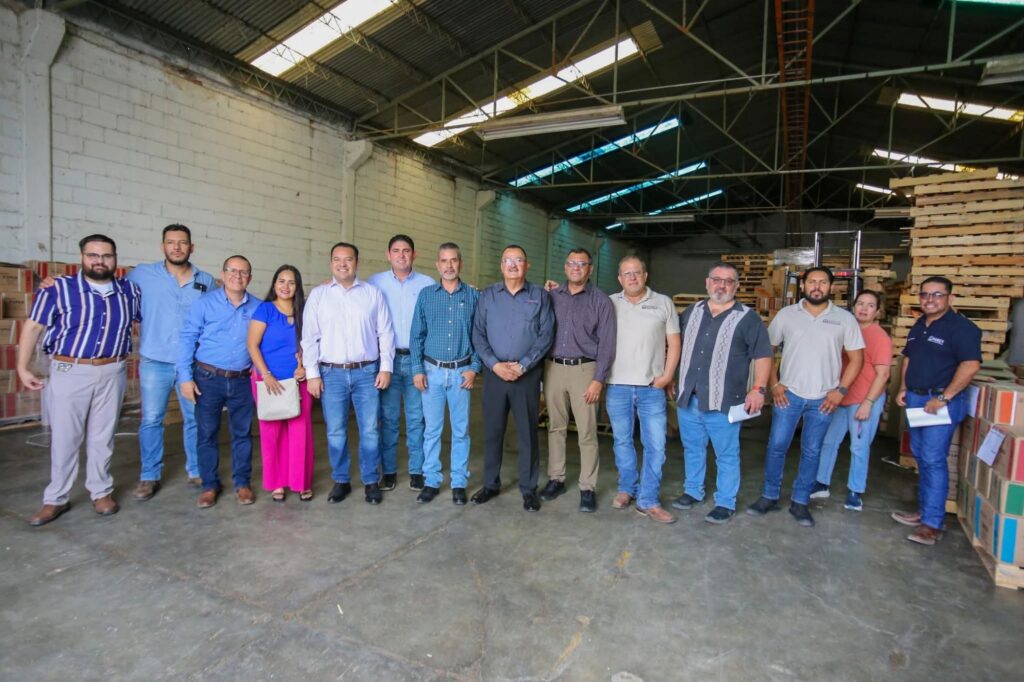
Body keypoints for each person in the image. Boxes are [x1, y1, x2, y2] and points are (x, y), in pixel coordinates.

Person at [36, 224, 215, 500]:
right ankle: (150, 475)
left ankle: (196, 469)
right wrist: (58, 282)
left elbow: (215, 314)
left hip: (191, 364)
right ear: (163, 246)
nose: (177, 247)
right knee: (152, 420)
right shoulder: (141, 275)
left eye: (182, 242)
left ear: (192, 247)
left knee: (194, 419)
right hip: (155, 362)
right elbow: (103, 282)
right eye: (171, 242)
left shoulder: (206, 281)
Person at [19, 235, 141, 526]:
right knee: (65, 437)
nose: (100, 261)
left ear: (115, 258)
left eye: (106, 256)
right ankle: (56, 497)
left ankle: (101, 492)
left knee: (103, 437)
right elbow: (33, 327)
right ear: (82, 257)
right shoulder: (58, 288)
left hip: (113, 369)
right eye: (93, 255)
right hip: (70, 370)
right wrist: (22, 368)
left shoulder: (129, 291)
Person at [747, 266, 864, 528]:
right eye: (812, 282)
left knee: (811, 450)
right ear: (803, 286)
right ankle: (769, 496)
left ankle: (800, 502)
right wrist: (774, 384)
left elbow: (857, 359)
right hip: (788, 395)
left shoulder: (844, 319)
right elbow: (766, 351)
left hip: (824, 398)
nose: (817, 287)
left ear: (831, 287)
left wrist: (841, 391)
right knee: (777, 446)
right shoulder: (787, 315)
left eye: (823, 282)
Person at [673, 262, 771, 524]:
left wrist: (758, 389)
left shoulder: (748, 318)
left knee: (726, 454)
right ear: (707, 283)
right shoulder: (691, 312)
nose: (721, 285)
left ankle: (725, 502)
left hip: (724, 401)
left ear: (736, 286)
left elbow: (763, 355)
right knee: (692, 448)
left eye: (728, 281)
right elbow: (675, 347)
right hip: (689, 397)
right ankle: (693, 490)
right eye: (717, 279)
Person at [302, 242, 394, 506]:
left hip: (367, 372)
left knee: (370, 430)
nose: (343, 264)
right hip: (331, 374)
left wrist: (385, 367)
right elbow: (309, 338)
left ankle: (370, 480)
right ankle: (341, 479)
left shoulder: (373, 294)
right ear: (331, 263)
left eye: (348, 259)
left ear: (357, 262)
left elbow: (385, 332)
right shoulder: (319, 296)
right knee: (335, 431)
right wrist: (312, 374)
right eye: (337, 259)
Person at [893, 276, 981, 545]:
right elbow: (909, 358)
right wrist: (904, 387)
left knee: (932, 459)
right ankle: (925, 512)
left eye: (937, 294)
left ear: (950, 298)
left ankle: (932, 524)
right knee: (921, 457)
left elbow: (970, 365)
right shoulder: (920, 324)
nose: (930, 299)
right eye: (925, 294)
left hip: (938, 403)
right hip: (917, 399)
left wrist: (944, 397)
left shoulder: (962, 328)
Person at [470, 245, 555, 512]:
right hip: (495, 376)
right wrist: (495, 365)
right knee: (493, 432)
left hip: (526, 377)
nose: (513, 265)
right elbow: (478, 334)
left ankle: (529, 489)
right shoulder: (488, 296)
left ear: (527, 265)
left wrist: (524, 365)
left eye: (519, 260)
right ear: (501, 265)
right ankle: (490, 484)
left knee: (528, 433)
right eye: (508, 260)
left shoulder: (540, 296)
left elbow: (546, 334)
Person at [178, 255, 262, 509]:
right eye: (232, 270)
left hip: (242, 380)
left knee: (242, 434)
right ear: (223, 274)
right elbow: (187, 339)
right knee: (206, 434)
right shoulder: (205, 304)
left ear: (250, 277)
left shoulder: (258, 307)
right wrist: (185, 378)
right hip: (207, 378)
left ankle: (242, 483)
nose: (237, 276)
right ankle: (209, 485)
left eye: (243, 272)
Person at [606, 255, 681, 524]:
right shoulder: (609, 303)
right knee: (622, 441)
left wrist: (667, 376)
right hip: (617, 385)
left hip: (651, 387)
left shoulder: (663, 303)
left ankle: (648, 499)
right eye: (627, 273)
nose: (632, 277)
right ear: (619, 278)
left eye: (637, 272)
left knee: (656, 445)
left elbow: (674, 343)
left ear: (645, 276)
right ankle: (627, 488)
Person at [539, 248, 616, 513]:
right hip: (553, 368)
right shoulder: (552, 296)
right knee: (555, 427)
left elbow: (607, 344)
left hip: (585, 370)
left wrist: (598, 380)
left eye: (582, 264)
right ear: (565, 267)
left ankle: (587, 487)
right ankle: (556, 478)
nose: (576, 267)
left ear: (590, 269)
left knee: (587, 432)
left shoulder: (601, 301)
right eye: (572, 263)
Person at [409, 243, 481, 505]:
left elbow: (480, 336)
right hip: (432, 372)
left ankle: (459, 483)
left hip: (461, 373)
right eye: (444, 261)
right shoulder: (427, 295)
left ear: (460, 263)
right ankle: (431, 480)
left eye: (453, 260)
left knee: (461, 431)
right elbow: (416, 335)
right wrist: (417, 369)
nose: (449, 266)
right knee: (432, 430)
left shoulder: (473, 297)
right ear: (437, 265)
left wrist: (474, 368)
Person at [809, 289, 893, 512]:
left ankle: (855, 491)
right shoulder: (845, 329)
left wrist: (868, 403)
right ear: (853, 307)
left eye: (870, 305)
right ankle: (821, 483)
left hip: (864, 399)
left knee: (859, 446)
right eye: (860, 303)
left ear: (878, 312)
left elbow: (883, 374)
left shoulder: (879, 337)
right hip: (841, 397)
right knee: (829, 441)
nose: (864, 308)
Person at [368, 235, 434, 492]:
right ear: (388, 254)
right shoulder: (375, 283)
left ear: (414, 255)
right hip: (388, 362)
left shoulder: (427, 284)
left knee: (417, 419)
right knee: (389, 419)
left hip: (417, 361)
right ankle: (389, 471)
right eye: (396, 251)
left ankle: (416, 470)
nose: (401, 255)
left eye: (406, 251)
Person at [247, 265, 313, 502]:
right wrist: (266, 375)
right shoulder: (265, 309)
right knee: (272, 433)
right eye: (281, 281)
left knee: (299, 431)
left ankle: (300, 482)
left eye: (291, 282)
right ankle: (277, 482)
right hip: (268, 381)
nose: (286, 286)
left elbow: (312, 343)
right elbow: (252, 345)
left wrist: (304, 366)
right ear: (274, 284)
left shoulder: (305, 311)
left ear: (298, 287)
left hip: (299, 380)